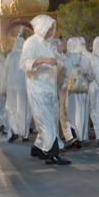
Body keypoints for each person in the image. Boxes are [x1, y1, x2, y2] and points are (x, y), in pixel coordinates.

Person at [21, 15, 70, 165]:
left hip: (49, 88)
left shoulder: (48, 44)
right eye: (49, 28)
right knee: (46, 120)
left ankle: (37, 148)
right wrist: (43, 60)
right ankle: (52, 154)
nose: (51, 31)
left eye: (52, 28)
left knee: (50, 118)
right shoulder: (31, 42)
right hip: (37, 88)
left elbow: (57, 59)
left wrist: (60, 53)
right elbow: (24, 63)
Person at [62, 37, 92, 148]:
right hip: (83, 89)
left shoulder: (68, 59)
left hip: (71, 91)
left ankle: (75, 137)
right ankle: (82, 136)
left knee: (71, 113)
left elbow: (64, 74)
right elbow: (90, 74)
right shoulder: (85, 58)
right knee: (82, 112)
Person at [5, 31, 32, 142]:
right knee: (25, 109)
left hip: (12, 87)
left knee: (13, 109)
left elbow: (6, 71)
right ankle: (25, 133)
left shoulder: (10, 56)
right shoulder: (26, 56)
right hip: (24, 87)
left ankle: (15, 131)